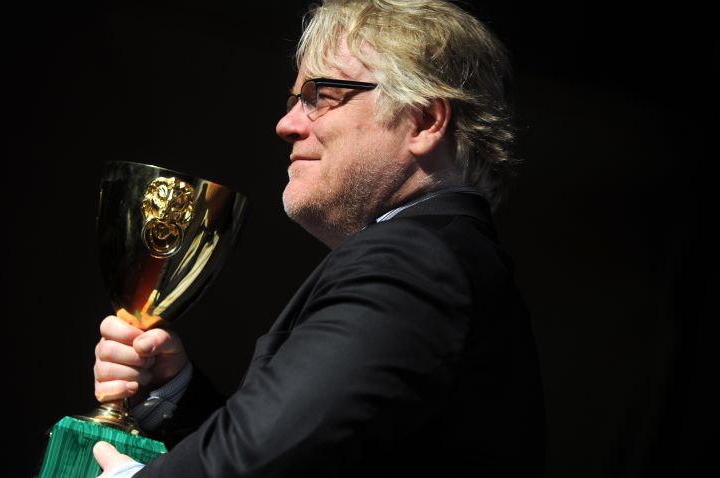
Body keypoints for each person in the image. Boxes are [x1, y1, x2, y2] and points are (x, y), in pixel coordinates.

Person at [92, 1, 545, 476]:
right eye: (294, 99)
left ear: (425, 121)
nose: (287, 125)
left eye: (322, 94)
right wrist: (176, 393)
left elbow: (259, 463)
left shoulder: (415, 259)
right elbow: (310, 455)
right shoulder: (444, 256)